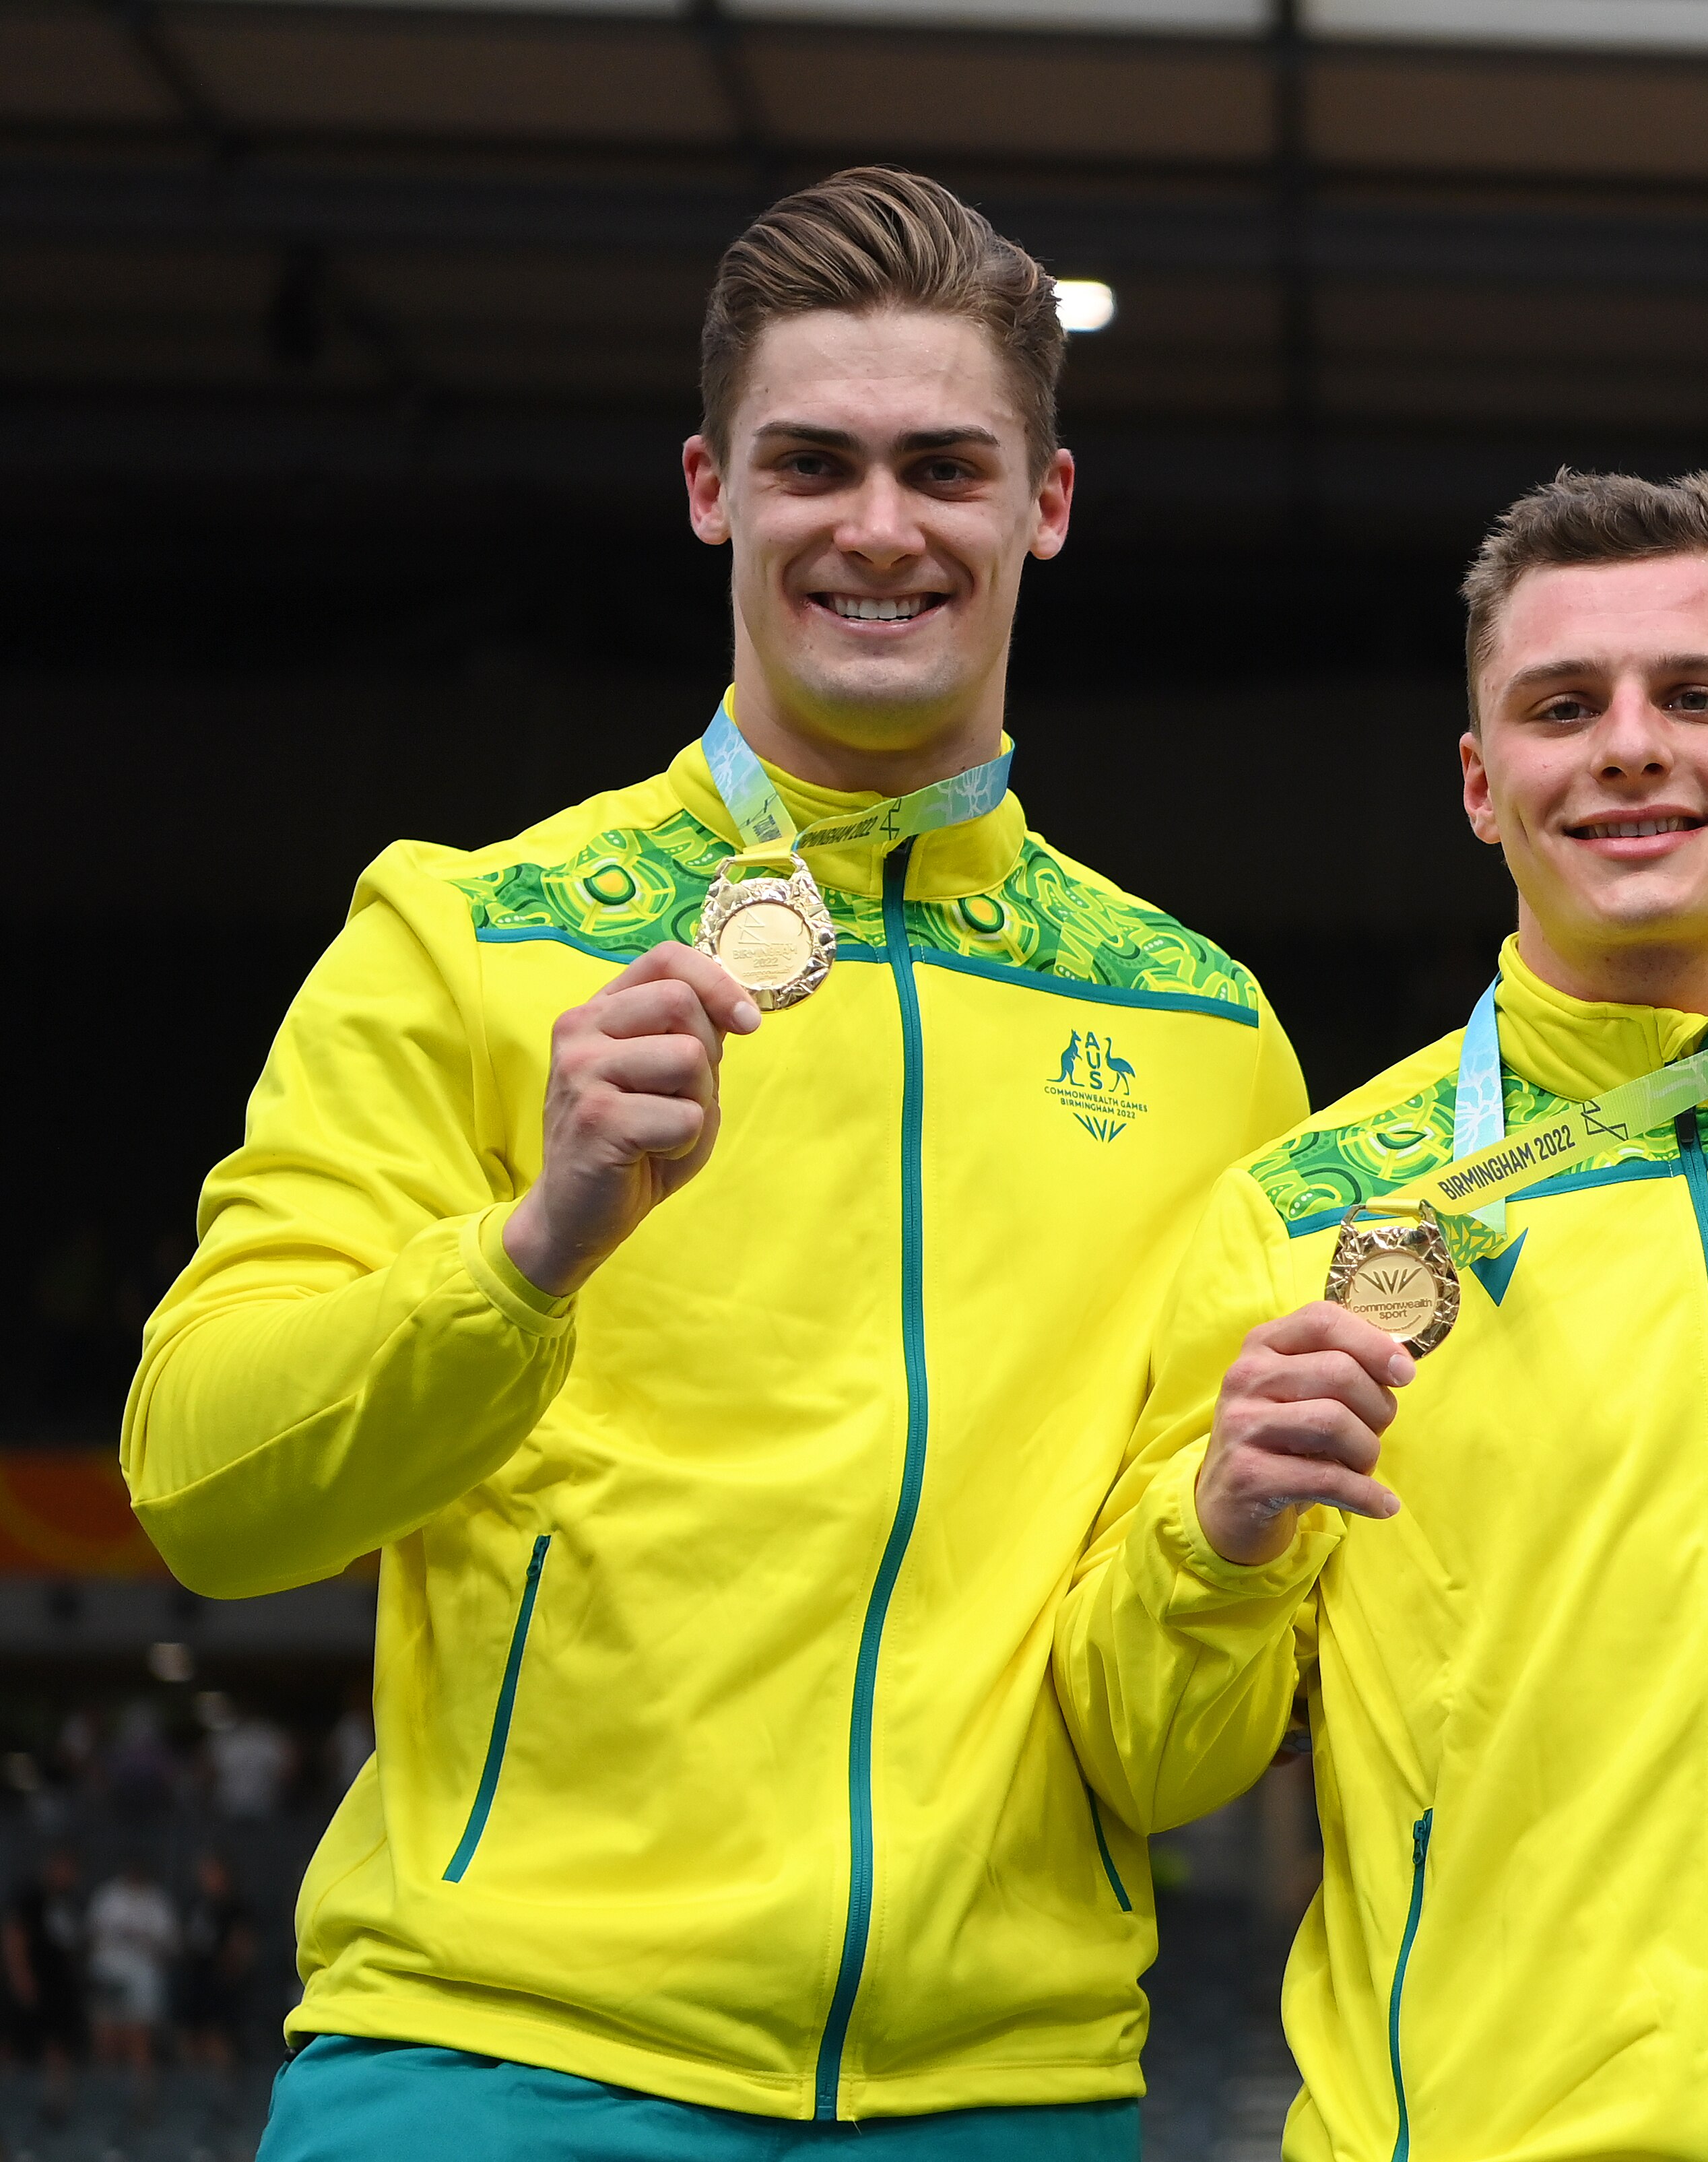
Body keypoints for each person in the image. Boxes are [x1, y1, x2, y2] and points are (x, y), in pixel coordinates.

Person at [123, 166, 1304, 2155]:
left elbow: (1171, 1739)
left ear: (1047, 504)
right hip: (498, 2069)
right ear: (710, 489)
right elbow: (203, 1489)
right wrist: (528, 1250)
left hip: (1009, 2096)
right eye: (811, 462)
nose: (876, 525)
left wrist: (1234, 1548)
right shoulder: (463, 934)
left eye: (945, 466)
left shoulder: (1212, 1042)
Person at [1063, 471, 1708, 2160]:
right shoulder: (1308, 1214)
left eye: (1693, 696)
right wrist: (1217, 1532)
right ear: (1484, 785)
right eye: (1564, 707)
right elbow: (1147, 1756)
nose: (1628, 745)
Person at [5, 1849, 88, 2116]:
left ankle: (55, 2103)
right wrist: (21, 1976)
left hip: (60, 1988)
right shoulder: (31, 1896)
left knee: (59, 2044)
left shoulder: (68, 1902)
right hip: (33, 1984)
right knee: (15, 2041)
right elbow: (14, 1936)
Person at [86, 1856, 177, 2081]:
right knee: (106, 2039)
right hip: (109, 1976)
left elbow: (172, 1947)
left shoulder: (157, 1901)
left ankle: (141, 2103)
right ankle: (105, 2101)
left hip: (142, 1981)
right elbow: (91, 1937)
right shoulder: (108, 1896)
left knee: (139, 2038)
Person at [178, 1851, 257, 2068]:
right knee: (190, 2041)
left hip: (222, 1990)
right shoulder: (197, 1907)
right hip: (195, 1987)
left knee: (218, 2042)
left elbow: (244, 1948)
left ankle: (224, 2095)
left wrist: (230, 1971)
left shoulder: (236, 1909)